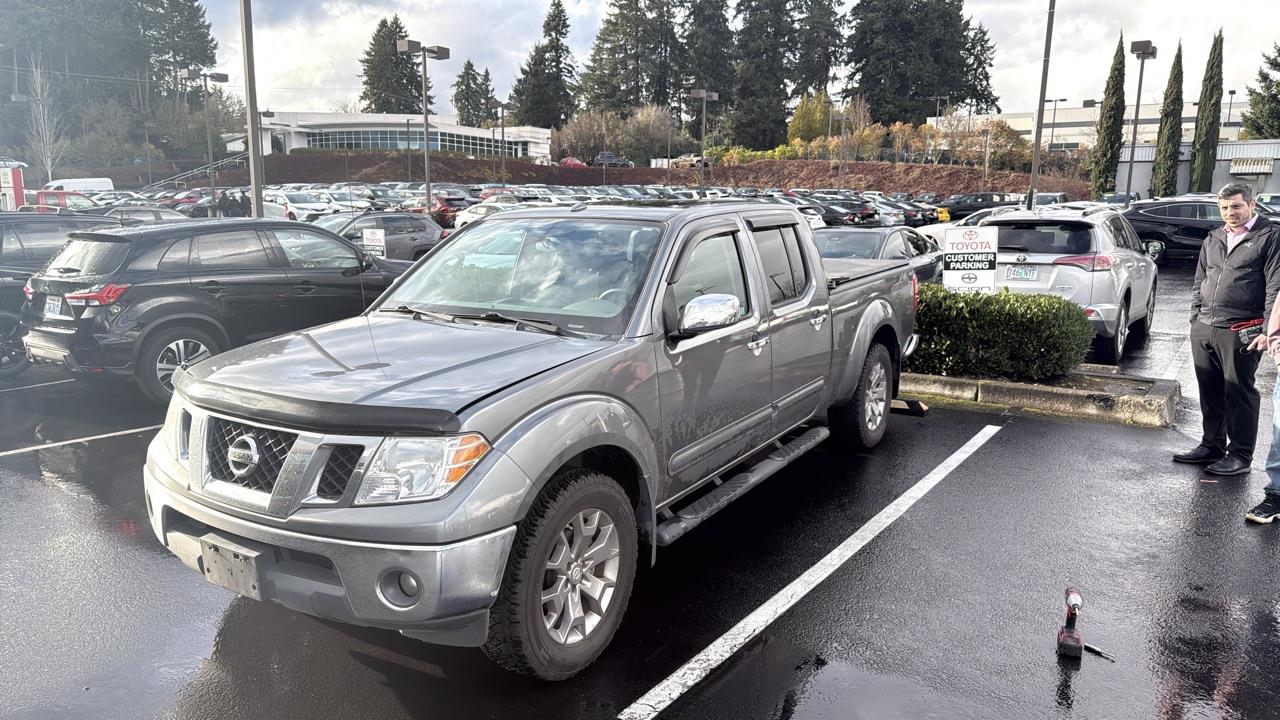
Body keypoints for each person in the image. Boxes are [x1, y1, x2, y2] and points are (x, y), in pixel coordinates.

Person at [1174, 183, 1280, 479]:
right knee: (1210, 390)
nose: (1230, 213)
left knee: (1239, 392)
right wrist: (1196, 316)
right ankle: (1211, 446)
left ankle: (1240, 455)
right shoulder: (1214, 237)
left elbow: (1275, 286)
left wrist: (1267, 328)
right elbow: (1200, 278)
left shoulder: (1269, 237)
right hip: (1205, 325)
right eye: (1224, 208)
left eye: (1235, 206)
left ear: (1251, 204)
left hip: (1242, 328)